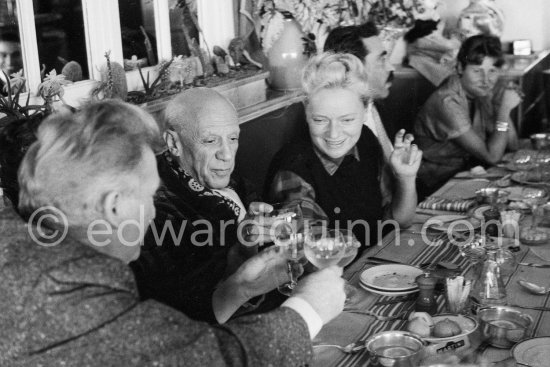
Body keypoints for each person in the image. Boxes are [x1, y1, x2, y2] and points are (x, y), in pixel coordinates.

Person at [4, 99, 345, 366]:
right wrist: (309, 308)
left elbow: (173, 341)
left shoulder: (30, 252)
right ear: (113, 207)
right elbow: (208, 361)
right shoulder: (73, 296)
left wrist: (239, 286)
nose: (153, 210)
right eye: (149, 195)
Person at [131, 88, 287, 323]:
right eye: (210, 140)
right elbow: (179, 320)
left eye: (233, 138)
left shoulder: (231, 183)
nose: (227, 154)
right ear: (174, 143)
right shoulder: (156, 212)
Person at [266, 53, 422, 252]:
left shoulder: (366, 141)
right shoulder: (292, 171)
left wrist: (405, 178)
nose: (333, 134)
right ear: (306, 111)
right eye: (320, 120)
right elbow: (311, 256)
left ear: (366, 111)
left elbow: (398, 222)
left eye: (347, 120)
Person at [323, 21, 420, 219]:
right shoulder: (335, 138)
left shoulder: (381, 109)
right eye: (381, 60)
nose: (391, 67)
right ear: (351, 70)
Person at [414, 34, 520, 197]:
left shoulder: (479, 92)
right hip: (434, 186)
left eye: (492, 70)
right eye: (477, 71)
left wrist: (500, 103)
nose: (486, 79)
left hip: (466, 175)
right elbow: (492, 156)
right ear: (460, 68)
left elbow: (512, 145)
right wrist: (505, 110)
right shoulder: (447, 102)